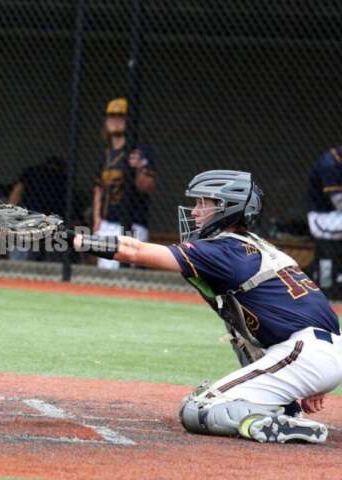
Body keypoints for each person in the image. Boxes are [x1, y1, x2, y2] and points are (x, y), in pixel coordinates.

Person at [74, 170, 341, 443]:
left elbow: (133, 251)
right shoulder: (257, 247)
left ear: (228, 208)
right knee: (236, 329)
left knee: (198, 410)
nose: (195, 212)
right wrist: (313, 375)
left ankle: (281, 423)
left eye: (205, 203)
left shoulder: (224, 250)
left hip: (306, 354)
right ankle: (284, 410)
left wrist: (73, 238)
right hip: (317, 351)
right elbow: (320, 315)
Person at [92, 97, 156, 269]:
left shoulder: (139, 150)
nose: (115, 120)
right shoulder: (106, 153)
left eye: (121, 116)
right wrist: (97, 218)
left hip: (133, 223)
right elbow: (98, 188)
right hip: (107, 223)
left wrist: (138, 169)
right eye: (111, 115)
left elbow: (148, 187)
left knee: (128, 278)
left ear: (129, 120)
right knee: (104, 275)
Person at [7, 155, 68, 261]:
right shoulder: (62, 178)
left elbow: (16, 193)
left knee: (21, 256)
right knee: (53, 257)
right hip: (51, 221)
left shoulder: (32, 172)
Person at [307, 146, 342, 300]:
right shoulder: (330, 163)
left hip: (336, 217)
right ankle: (328, 288)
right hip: (322, 218)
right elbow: (339, 202)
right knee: (327, 260)